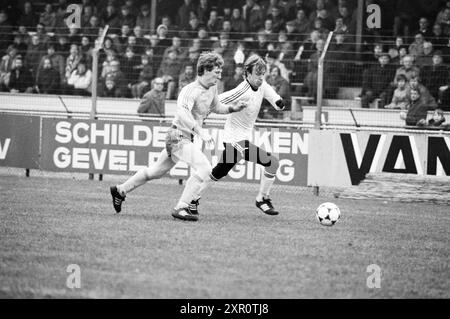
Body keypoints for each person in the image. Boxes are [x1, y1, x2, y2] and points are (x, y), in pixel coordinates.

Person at [110, 52, 248, 221]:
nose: (219, 76)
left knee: (155, 172)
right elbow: (182, 113)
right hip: (177, 136)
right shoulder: (189, 90)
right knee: (205, 168)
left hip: (185, 137)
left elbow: (217, 106)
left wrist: (234, 108)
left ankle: (120, 190)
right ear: (205, 70)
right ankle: (181, 207)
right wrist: (200, 131)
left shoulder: (212, 88)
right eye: (216, 73)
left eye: (220, 73)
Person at [189, 54, 286, 216]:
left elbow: (274, 98)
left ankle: (192, 198)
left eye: (262, 74)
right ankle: (262, 198)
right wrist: (200, 117)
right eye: (257, 74)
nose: (260, 78)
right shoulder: (242, 90)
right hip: (235, 141)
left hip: (240, 140)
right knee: (272, 162)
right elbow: (217, 102)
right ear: (247, 74)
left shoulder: (262, 85)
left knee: (218, 172)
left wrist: (279, 103)